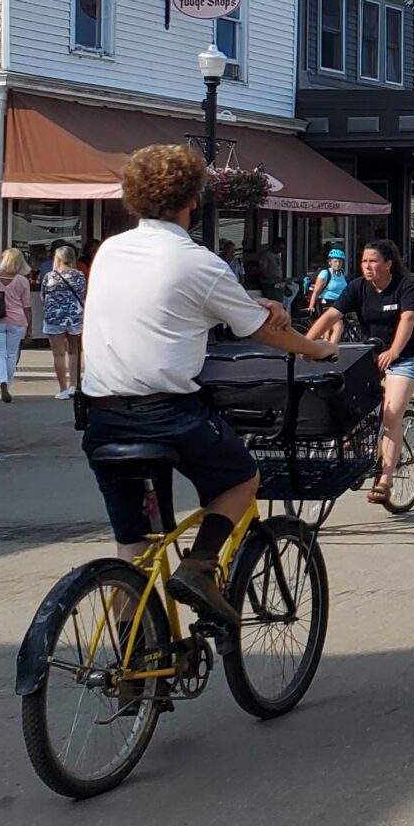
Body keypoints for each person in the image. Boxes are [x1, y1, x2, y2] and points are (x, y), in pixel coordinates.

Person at [81, 145, 337, 628]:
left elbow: (166, 303)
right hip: (168, 415)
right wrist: (315, 349)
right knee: (242, 479)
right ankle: (199, 567)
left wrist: (251, 300)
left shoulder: (110, 251)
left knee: (134, 546)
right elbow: (266, 333)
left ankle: (132, 666)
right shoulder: (198, 262)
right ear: (193, 199)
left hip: (102, 417)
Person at [304, 238, 414, 507]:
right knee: (344, 397)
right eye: (364, 262)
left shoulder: (405, 286)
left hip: (405, 358)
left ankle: (385, 479)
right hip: (370, 355)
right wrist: (305, 345)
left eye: (373, 261)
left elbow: (408, 319)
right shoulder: (357, 287)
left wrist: (394, 351)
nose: (367, 266)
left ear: (388, 264)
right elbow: (331, 316)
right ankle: (357, 438)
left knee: (391, 415)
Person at [39, 244, 87, 400]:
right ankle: (74, 385)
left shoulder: (50, 276)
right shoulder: (79, 275)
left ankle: (63, 388)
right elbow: (83, 294)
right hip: (74, 317)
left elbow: (43, 296)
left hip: (54, 318)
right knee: (74, 353)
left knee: (58, 355)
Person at [0, 248, 33, 402]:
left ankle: (1, 382)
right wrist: (29, 327)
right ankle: (7, 383)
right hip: (17, 321)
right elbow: (27, 307)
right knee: (12, 354)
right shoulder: (22, 281)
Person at [305, 248, 350, 324]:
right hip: (327, 303)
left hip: (340, 303)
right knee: (338, 327)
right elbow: (316, 291)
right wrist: (311, 306)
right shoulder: (325, 273)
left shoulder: (342, 274)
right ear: (330, 262)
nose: (338, 264)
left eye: (340, 262)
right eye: (335, 261)